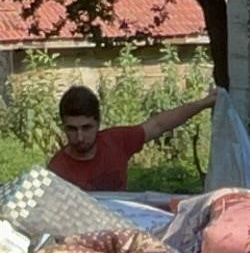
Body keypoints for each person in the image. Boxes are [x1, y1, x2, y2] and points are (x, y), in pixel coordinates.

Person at [47, 82, 212, 193]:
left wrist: (204, 103)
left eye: (86, 128)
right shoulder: (57, 170)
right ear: (63, 127)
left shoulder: (116, 141)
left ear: (98, 123)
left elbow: (158, 125)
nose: (80, 137)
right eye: (72, 129)